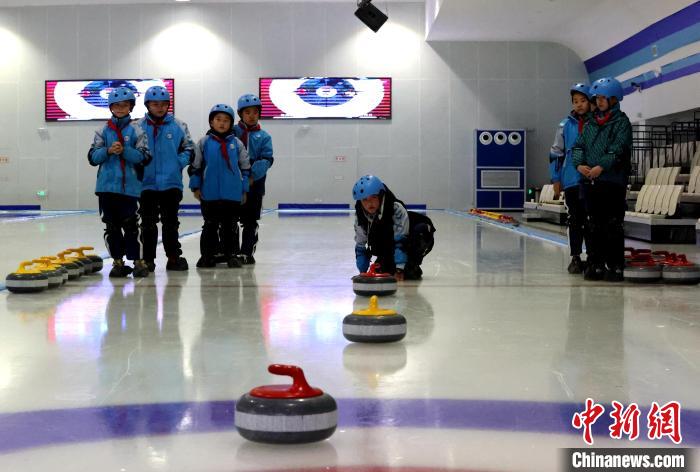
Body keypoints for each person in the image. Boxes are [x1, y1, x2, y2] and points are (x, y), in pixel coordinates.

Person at [572, 77, 632, 282]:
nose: (598, 102)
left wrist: (601, 167)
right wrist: (579, 164)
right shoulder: (590, 122)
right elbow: (578, 146)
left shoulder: (621, 122)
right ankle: (595, 263)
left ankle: (614, 265)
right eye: (597, 98)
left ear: (614, 99)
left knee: (612, 224)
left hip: (612, 181)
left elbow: (618, 149)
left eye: (603, 98)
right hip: (589, 181)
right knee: (593, 224)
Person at [87, 86, 151, 278]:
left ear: (131, 107)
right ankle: (117, 261)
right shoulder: (102, 131)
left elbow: (144, 157)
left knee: (131, 226)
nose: (120, 108)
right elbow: (92, 158)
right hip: (106, 188)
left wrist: (124, 150)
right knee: (111, 227)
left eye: (124, 105)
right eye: (116, 105)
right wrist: (107, 151)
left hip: (130, 189)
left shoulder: (138, 130)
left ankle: (138, 261)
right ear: (110, 107)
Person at [137, 85, 195, 272]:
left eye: (163, 104)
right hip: (146, 184)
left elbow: (188, 148)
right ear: (147, 105)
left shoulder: (179, 125)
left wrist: (178, 163)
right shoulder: (137, 127)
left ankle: (173, 257)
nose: (159, 108)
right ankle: (148, 259)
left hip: (171, 183)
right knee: (147, 223)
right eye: (155, 104)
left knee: (171, 223)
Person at [188, 104, 250, 268]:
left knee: (231, 226)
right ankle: (207, 255)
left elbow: (245, 168)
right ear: (211, 122)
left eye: (226, 120)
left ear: (231, 123)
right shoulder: (203, 143)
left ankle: (232, 255)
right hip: (210, 193)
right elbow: (195, 166)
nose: (222, 123)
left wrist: (244, 189)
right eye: (218, 120)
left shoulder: (237, 144)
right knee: (210, 225)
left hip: (232, 193)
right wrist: (196, 187)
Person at [353, 175, 435, 280]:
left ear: (381, 195)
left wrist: (399, 270)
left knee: (408, 272)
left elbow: (401, 241)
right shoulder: (360, 215)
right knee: (382, 270)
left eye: (373, 197)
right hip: (389, 241)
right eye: (365, 200)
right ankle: (392, 263)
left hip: (414, 237)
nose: (370, 203)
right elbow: (360, 246)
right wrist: (363, 272)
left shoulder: (396, 209)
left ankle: (411, 264)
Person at [549, 83, 593, 274]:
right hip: (572, 180)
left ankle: (593, 257)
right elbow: (556, 153)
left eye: (583, 101)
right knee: (575, 220)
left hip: (592, 180)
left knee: (592, 220)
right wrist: (556, 179)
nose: (579, 105)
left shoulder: (597, 123)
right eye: (575, 102)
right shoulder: (565, 125)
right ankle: (575, 257)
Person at [232, 93, 274, 265]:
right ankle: (232, 251)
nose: (251, 116)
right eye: (247, 112)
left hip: (254, 185)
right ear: (241, 114)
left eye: (255, 112)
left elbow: (267, 159)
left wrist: (251, 175)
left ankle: (247, 252)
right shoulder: (232, 132)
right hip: (233, 184)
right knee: (231, 219)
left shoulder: (264, 136)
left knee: (250, 220)